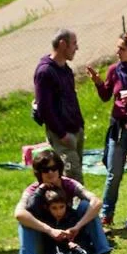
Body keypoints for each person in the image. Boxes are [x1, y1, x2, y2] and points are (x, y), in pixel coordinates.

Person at [14, 150, 110, 254]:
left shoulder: (69, 184)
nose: (51, 173)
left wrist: (77, 226)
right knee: (25, 220)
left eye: (54, 168)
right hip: (45, 236)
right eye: (45, 169)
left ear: (60, 169)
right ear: (39, 172)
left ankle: (103, 253)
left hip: (70, 231)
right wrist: (50, 230)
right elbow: (19, 213)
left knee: (86, 205)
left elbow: (96, 201)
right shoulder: (33, 190)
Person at [87, 32, 127, 227]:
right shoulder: (114, 70)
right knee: (114, 172)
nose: (117, 52)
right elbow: (107, 95)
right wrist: (99, 82)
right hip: (119, 126)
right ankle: (107, 213)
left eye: (122, 49)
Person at [33, 29, 84, 182]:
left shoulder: (66, 70)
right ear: (63, 44)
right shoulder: (45, 72)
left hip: (76, 130)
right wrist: (62, 134)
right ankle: (67, 206)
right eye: (74, 43)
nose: (77, 48)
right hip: (62, 135)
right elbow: (44, 109)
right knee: (73, 179)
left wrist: (80, 126)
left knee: (73, 178)